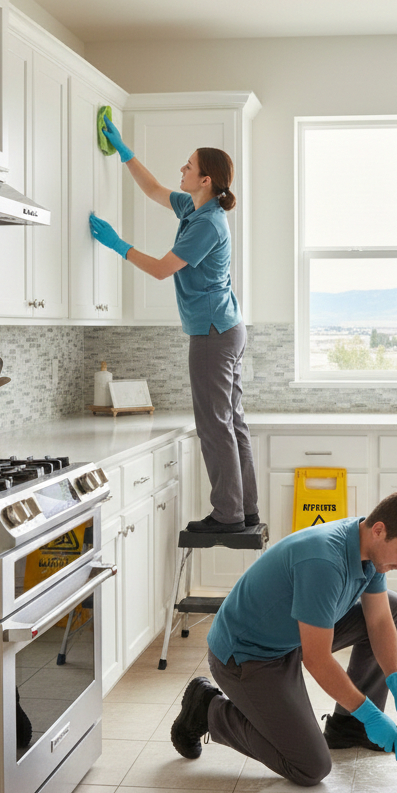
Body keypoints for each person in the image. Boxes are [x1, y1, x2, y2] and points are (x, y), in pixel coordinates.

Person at [169, 490, 397, 786]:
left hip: (291, 637)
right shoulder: (324, 561)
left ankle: (350, 729)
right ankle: (208, 709)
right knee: (310, 766)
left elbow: (378, 620)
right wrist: (370, 714)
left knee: (393, 606)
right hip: (248, 655)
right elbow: (317, 660)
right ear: (379, 530)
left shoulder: (368, 549)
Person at [89, 121, 257, 534]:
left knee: (215, 425)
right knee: (231, 422)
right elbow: (152, 190)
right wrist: (124, 151)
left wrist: (117, 244)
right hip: (226, 328)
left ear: (206, 179)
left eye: (188, 166)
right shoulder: (195, 208)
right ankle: (244, 509)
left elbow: (164, 270)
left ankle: (228, 516)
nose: (181, 170)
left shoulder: (208, 224)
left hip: (213, 334)